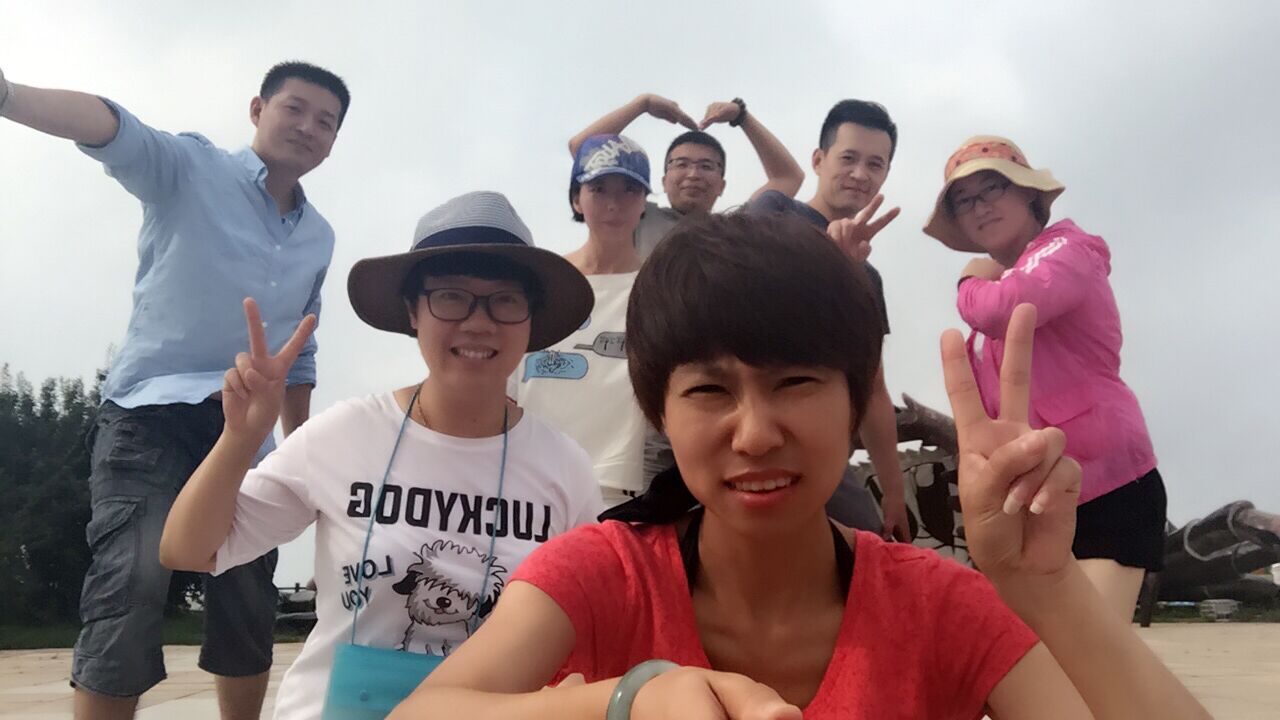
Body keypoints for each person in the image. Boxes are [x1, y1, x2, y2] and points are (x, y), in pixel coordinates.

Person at [387, 212, 1209, 720]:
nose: (754, 434)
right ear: (659, 411)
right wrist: (626, 700)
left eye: (796, 383)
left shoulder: (939, 608)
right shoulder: (604, 576)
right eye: (710, 389)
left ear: (853, 402)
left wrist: (1045, 588)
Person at [159, 191, 604, 720]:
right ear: (413, 311)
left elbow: (588, 627)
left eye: (506, 300)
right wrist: (240, 439)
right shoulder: (347, 434)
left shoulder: (566, 470)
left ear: (531, 320)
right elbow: (190, 549)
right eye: (451, 297)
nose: (478, 322)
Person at [0, 61, 348, 718]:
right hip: (149, 416)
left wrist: (304, 454)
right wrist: (8, 95)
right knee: (131, 577)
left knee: (248, 591)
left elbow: (299, 351)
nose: (309, 127)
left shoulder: (319, 237)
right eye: (295, 108)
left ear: (333, 143)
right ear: (257, 109)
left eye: (326, 121)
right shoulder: (190, 167)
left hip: (247, 437)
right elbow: (111, 127)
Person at [924, 135, 1167, 621]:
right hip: (1033, 501)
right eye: (964, 200)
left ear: (1028, 193)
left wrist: (968, 280)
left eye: (992, 188)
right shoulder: (999, 292)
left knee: (1090, 651)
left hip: (1108, 486)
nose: (979, 206)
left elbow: (1005, 309)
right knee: (1039, 656)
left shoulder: (1067, 248)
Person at [745, 99, 908, 541]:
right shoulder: (772, 214)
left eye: (875, 164)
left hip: (820, 447)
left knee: (867, 549)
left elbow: (872, 388)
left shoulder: (867, 275)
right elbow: (730, 307)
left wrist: (894, 492)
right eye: (848, 158)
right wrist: (826, 269)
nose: (860, 173)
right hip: (748, 431)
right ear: (818, 160)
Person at [511, 134, 658, 507]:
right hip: (522, 479)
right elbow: (505, 380)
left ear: (644, 201)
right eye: (599, 189)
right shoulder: (542, 282)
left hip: (614, 490)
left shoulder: (658, 289)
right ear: (577, 198)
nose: (613, 203)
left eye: (629, 190)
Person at [568, 93, 804, 257]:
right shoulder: (639, 216)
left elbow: (788, 178)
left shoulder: (733, 229)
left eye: (706, 166)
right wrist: (642, 104)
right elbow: (584, 152)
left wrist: (742, 117)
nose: (693, 174)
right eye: (681, 164)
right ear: (663, 180)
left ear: (722, 186)